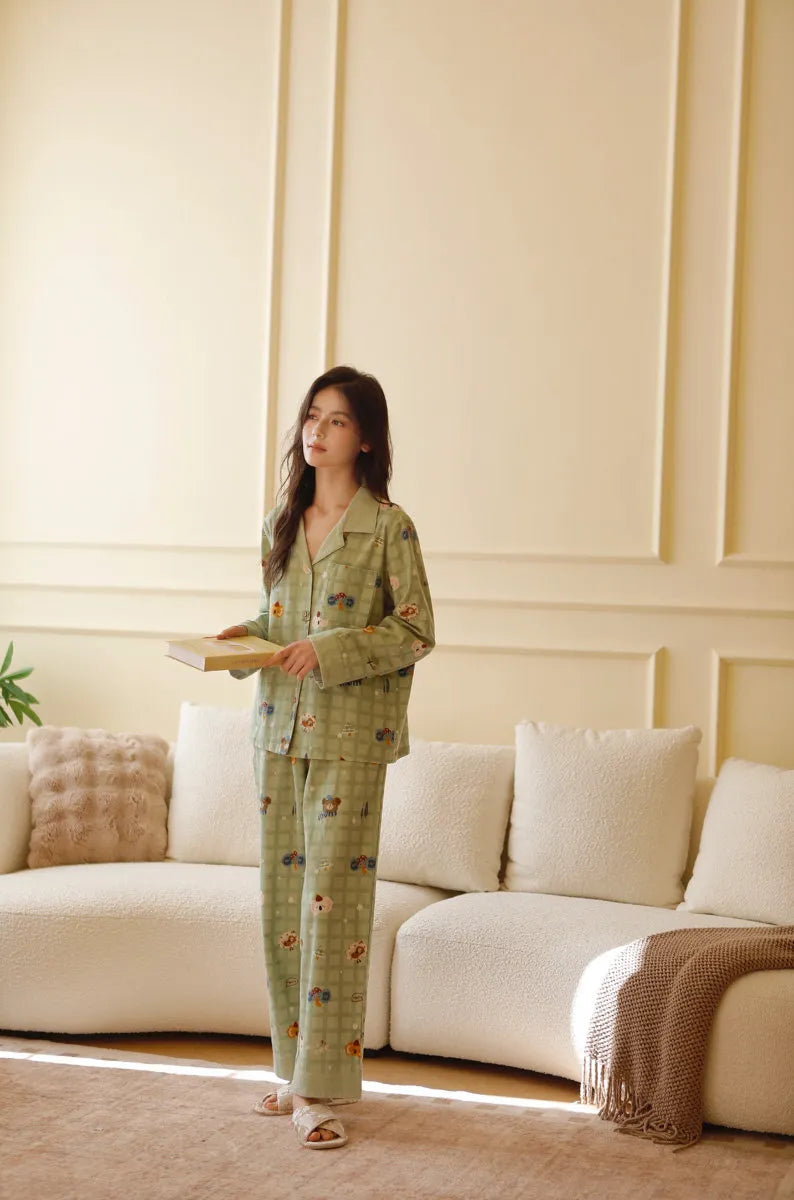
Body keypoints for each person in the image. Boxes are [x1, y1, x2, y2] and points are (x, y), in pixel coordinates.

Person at [216, 365, 435, 1150]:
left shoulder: (389, 527)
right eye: (312, 416)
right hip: (276, 731)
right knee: (282, 909)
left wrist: (329, 649)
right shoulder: (286, 517)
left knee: (331, 909)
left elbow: (413, 632)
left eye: (336, 421)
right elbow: (281, 623)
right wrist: (235, 642)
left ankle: (321, 1088)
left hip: (350, 738)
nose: (316, 432)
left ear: (365, 437)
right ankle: (290, 1069)